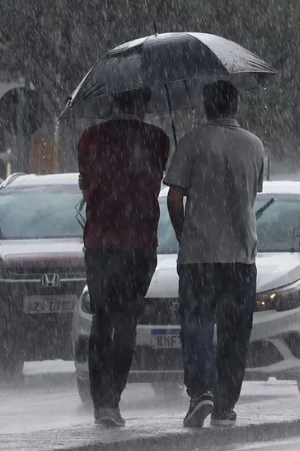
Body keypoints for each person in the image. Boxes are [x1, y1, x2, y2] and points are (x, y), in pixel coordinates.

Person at [164, 80, 265, 428]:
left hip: (198, 256)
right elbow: (252, 194)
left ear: (205, 107)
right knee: (235, 333)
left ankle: (201, 391)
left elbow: (174, 198)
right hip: (240, 255)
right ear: (235, 104)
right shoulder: (255, 146)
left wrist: (183, 233)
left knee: (197, 325)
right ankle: (225, 405)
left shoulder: (190, 143)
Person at [78, 87, 170, 427]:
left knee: (101, 319)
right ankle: (113, 398)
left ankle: (100, 399)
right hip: (140, 244)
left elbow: (86, 185)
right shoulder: (158, 139)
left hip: (100, 244)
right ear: (142, 104)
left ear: (113, 101)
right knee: (127, 320)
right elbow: (154, 184)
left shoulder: (90, 137)